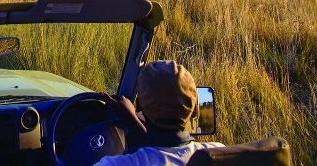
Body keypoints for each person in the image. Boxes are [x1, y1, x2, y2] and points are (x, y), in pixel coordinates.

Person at [94, 60, 224, 166]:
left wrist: (131, 116)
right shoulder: (218, 154)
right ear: (194, 111)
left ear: (138, 106)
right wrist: (132, 120)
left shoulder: (114, 164)